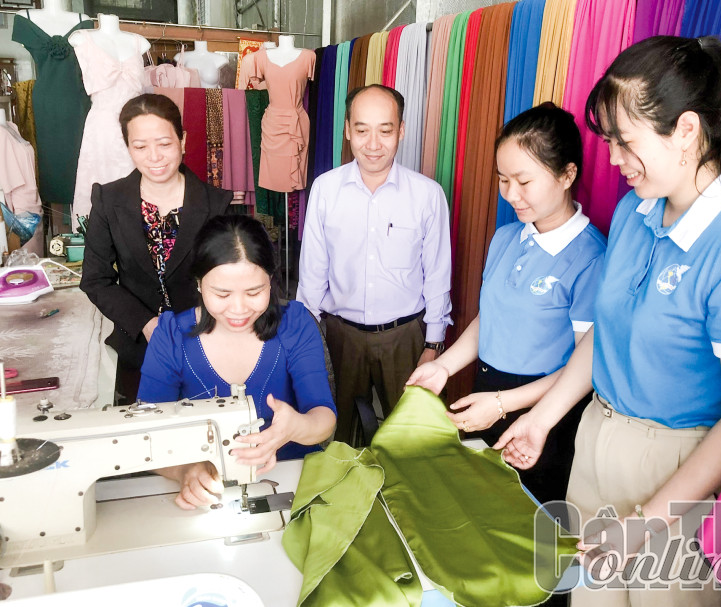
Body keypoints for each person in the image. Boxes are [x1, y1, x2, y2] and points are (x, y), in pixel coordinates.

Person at [495, 36, 721, 605]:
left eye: (625, 141)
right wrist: (542, 418)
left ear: (686, 130)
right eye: (610, 142)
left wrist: (641, 526)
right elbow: (606, 337)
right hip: (595, 447)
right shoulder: (633, 215)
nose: (614, 159)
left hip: (682, 481)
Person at [407, 103, 605, 505]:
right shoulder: (507, 237)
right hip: (485, 394)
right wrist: (443, 367)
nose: (511, 194)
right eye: (503, 180)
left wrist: (502, 405)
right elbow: (490, 319)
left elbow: (584, 366)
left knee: (527, 520)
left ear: (567, 175)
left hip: (543, 414)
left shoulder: (592, 257)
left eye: (524, 181)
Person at [138, 214, 337, 510]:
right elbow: (146, 436)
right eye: (222, 294)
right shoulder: (171, 336)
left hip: (292, 478)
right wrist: (184, 471)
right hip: (208, 490)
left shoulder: (295, 324)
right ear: (199, 284)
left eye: (255, 292)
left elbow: (324, 419)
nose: (239, 309)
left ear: (270, 280)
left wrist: (295, 427)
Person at [297, 84, 452, 444]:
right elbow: (313, 271)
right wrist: (305, 340)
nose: (373, 144)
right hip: (340, 336)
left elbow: (437, 273)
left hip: (405, 338)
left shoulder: (427, 194)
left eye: (385, 131)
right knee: (334, 438)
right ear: (347, 130)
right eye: (362, 130)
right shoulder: (325, 189)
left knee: (413, 439)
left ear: (401, 131)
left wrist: (433, 345)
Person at [80, 93, 233, 404]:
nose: (154, 157)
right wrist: (147, 325)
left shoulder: (217, 204)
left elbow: (232, 280)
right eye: (140, 147)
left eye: (164, 144)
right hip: (137, 349)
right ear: (128, 147)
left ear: (183, 140)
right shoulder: (108, 201)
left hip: (208, 344)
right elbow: (96, 280)